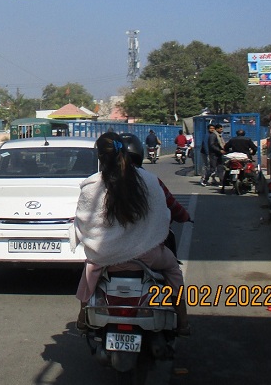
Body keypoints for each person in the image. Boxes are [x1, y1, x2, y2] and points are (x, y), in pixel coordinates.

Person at [72, 132, 189, 335]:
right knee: (172, 270)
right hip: (148, 255)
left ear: (100, 158)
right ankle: (183, 320)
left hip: (104, 256)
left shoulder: (92, 185)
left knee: (88, 274)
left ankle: (83, 316)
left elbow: (83, 221)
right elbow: (164, 212)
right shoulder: (151, 180)